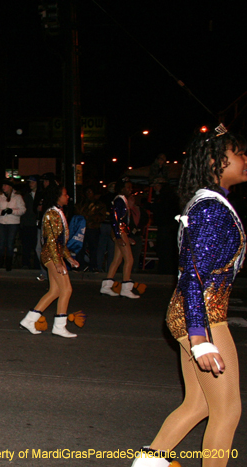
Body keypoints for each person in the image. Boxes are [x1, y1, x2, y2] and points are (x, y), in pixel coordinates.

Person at [130, 125, 246, 467]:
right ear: (215, 161)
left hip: (191, 313)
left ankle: (148, 463)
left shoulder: (210, 203)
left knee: (198, 405)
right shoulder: (211, 208)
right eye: (238, 153)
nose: (245, 159)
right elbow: (195, 273)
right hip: (205, 317)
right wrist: (200, 335)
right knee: (228, 412)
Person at [19, 185, 80, 338]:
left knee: (55, 291)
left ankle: (29, 320)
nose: (68, 197)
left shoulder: (57, 212)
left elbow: (60, 241)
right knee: (66, 289)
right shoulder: (52, 213)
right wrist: (59, 261)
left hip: (53, 255)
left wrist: (69, 258)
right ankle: (59, 326)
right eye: (65, 194)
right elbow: (51, 240)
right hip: (52, 256)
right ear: (57, 196)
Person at [100, 178, 140, 298]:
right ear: (122, 188)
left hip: (121, 231)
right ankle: (126, 288)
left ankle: (106, 286)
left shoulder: (122, 200)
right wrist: (119, 236)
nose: (130, 189)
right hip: (120, 231)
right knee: (129, 259)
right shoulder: (119, 200)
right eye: (128, 187)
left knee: (117, 259)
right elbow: (115, 219)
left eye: (130, 187)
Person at [0, 179, 26, 271]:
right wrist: (1, 212)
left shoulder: (17, 197)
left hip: (13, 223)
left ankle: (9, 263)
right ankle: (0, 262)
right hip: (1, 222)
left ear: (10, 187)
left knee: (10, 243)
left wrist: (12, 211)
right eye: (3, 185)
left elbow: (23, 210)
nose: (3, 187)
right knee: (1, 243)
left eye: (5, 185)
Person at [20, 175, 42, 270]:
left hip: (37, 224)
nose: (30, 184)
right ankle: (26, 263)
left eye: (32, 182)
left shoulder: (41, 195)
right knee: (27, 245)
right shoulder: (27, 196)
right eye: (30, 182)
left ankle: (37, 265)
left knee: (37, 245)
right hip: (28, 224)